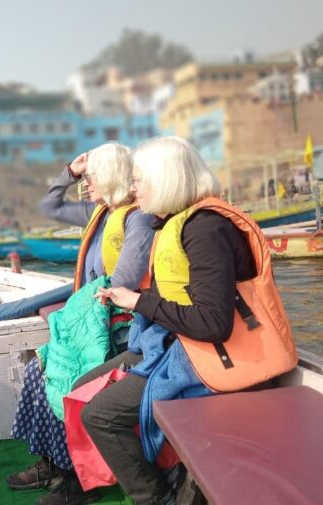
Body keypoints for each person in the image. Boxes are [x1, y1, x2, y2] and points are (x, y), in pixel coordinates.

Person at [77, 136, 296, 505]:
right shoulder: (178, 225)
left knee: (101, 414)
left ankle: (156, 497)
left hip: (214, 357)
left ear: (165, 179)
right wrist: (136, 302)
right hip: (180, 343)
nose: (133, 189)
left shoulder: (204, 230)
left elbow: (213, 325)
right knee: (87, 390)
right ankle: (163, 481)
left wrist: (140, 302)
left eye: (138, 179)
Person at [8, 143, 154, 505]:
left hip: (118, 330)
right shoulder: (99, 212)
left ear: (110, 177)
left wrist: (83, 312)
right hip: (89, 324)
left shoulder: (138, 218)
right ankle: (55, 463)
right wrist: (69, 172)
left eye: (89, 178)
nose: (84, 185)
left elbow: (124, 279)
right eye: (83, 179)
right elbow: (49, 206)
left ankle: (79, 479)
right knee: (37, 373)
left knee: (67, 381)